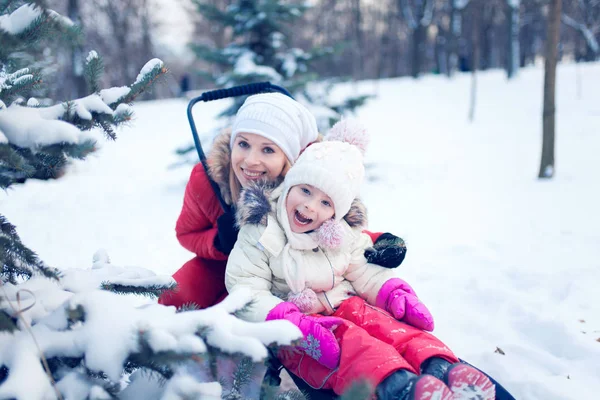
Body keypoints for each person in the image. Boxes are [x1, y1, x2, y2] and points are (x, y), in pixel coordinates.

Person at [225, 119, 496, 400]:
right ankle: (400, 388)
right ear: (291, 184)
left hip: (345, 302)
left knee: (389, 326)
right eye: (305, 191)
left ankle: (440, 368)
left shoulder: (340, 233)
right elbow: (245, 286)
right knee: (354, 345)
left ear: (336, 213)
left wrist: (392, 291)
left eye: (325, 202)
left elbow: (363, 269)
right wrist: (290, 321)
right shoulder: (261, 229)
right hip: (299, 328)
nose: (309, 205)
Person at [159, 93, 407, 310]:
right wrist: (217, 242)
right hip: (224, 265)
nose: (250, 161)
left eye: (268, 150)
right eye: (243, 144)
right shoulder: (209, 180)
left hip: (288, 269)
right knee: (176, 293)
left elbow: (334, 222)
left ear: (288, 159)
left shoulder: (306, 185)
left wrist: (377, 239)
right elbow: (187, 233)